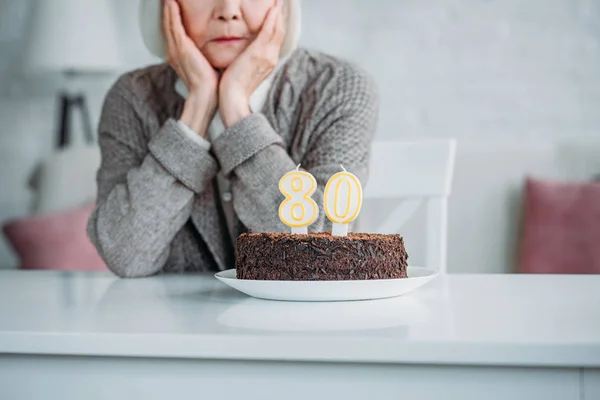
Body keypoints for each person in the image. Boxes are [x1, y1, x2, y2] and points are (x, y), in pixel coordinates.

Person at [87, 0, 379, 278]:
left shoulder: (338, 86)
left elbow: (321, 254)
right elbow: (125, 254)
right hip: (177, 327)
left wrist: (236, 109)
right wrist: (197, 109)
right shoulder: (133, 97)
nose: (228, 11)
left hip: (302, 325)